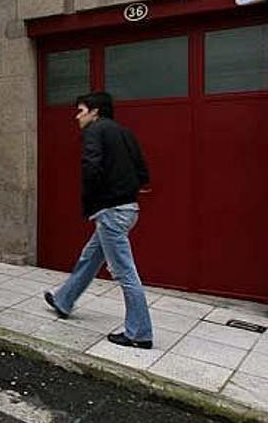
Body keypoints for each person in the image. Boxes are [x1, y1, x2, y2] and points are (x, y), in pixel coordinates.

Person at [44, 92, 154, 349]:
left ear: (95, 112)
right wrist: (124, 190)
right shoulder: (125, 132)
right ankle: (63, 299)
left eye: (81, 110)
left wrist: (94, 199)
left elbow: (91, 167)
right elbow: (143, 172)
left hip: (110, 212)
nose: (77, 116)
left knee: (126, 273)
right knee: (90, 256)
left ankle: (139, 333)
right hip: (128, 210)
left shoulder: (95, 131)